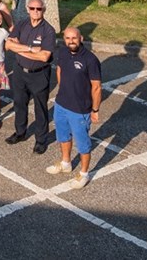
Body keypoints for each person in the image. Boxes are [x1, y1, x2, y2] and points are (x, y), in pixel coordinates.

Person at [46, 27, 101, 189]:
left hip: (80, 109)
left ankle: (84, 174)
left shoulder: (90, 60)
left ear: (81, 38)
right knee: (63, 135)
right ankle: (66, 163)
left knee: (83, 143)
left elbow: (96, 87)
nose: (71, 41)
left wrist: (95, 110)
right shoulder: (62, 52)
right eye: (68, 38)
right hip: (61, 104)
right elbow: (60, 69)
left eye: (74, 38)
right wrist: (62, 88)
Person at [5, 0, 57, 154]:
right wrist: (30, 49)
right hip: (20, 71)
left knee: (41, 108)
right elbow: (8, 45)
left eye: (39, 9)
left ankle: (41, 140)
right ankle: (20, 132)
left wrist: (19, 48)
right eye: (32, 8)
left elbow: (44, 57)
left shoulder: (48, 30)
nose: (35, 11)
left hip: (39, 75)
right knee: (19, 103)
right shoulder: (22, 23)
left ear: (44, 10)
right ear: (27, 9)